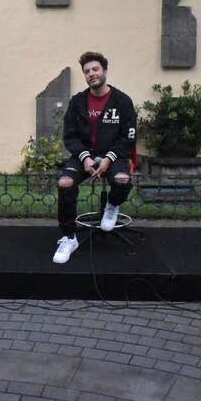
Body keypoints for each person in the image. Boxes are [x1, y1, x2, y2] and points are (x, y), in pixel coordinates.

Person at [53, 52, 137, 264]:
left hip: (114, 155)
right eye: (87, 71)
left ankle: (112, 205)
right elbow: (70, 136)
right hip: (84, 156)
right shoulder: (77, 102)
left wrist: (108, 158)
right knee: (65, 183)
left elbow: (128, 138)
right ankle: (69, 237)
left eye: (95, 69)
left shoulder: (123, 101)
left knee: (122, 180)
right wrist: (85, 158)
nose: (91, 74)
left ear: (105, 71)